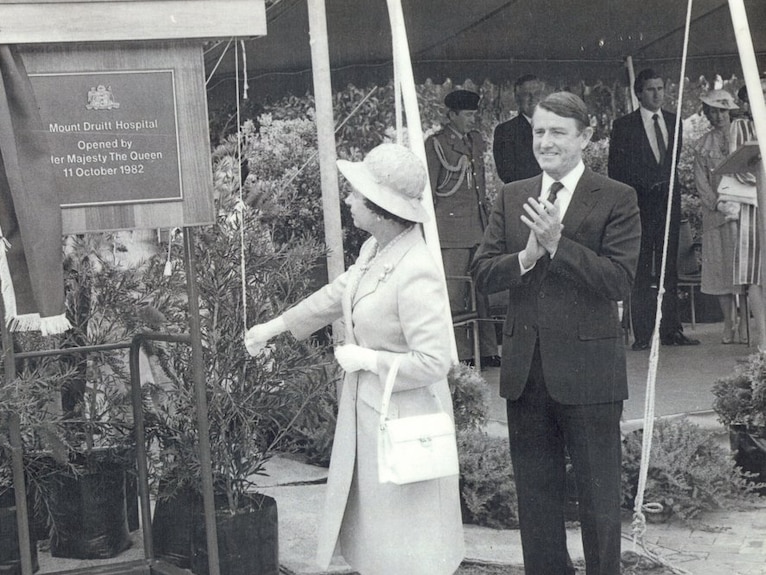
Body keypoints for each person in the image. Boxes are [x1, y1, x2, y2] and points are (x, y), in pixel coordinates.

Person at [245, 143, 464, 575]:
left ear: (380, 208)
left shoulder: (416, 268)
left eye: (355, 194)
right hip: (370, 412)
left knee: (408, 537)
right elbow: (334, 296)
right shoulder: (374, 250)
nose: (348, 199)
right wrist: (271, 328)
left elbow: (435, 362)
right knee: (376, 531)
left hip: (406, 420)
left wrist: (367, 358)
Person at [473, 92, 641, 575]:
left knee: (599, 501)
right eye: (538, 132)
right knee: (536, 503)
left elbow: (619, 281)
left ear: (586, 137)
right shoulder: (512, 194)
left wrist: (556, 245)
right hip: (526, 372)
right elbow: (482, 275)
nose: (545, 142)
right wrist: (526, 257)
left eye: (557, 132)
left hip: (590, 374)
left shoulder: (616, 196)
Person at [608, 68, 699, 350]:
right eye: (650, 89)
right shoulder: (624, 126)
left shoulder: (674, 122)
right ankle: (645, 334)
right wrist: (640, 191)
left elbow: (671, 165)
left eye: (660, 88)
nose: (657, 94)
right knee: (643, 268)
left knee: (668, 267)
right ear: (638, 93)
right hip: (639, 207)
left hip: (668, 205)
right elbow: (616, 170)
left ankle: (672, 329)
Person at [425, 88, 500, 368]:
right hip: (450, 229)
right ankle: (462, 354)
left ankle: (489, 350)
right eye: (468, 115)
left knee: (483, 291)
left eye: (474, 114)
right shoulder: (436, 145)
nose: (472, 120)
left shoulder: (475, 141)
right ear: (451, 115)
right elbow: (430, 191)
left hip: (477, 226)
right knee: (455, 293)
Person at [693, 90, 746, 344]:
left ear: (730, 111)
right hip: (716, 216)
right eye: (712, 111)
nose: (717, 116)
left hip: (745, 212)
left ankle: (746, 321)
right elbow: (701, 183)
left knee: (745, 268)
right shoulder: (703, 145)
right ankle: (729, 321)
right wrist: (717, 204)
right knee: (720, 270)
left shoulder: (745, 137)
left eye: (722, 110)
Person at [729, 76, 766, 350]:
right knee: (754, 271)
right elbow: (740, 167)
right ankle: (763, 337)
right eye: (759, 93)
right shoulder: (742, 126)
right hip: (754, 206)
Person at [493, 74, 543, 183]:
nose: (533, 99)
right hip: (523, 195)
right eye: (527, 95)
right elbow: (507, 174)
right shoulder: (505, 131)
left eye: (537, 94)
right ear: (517, 98)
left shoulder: (553, 127)